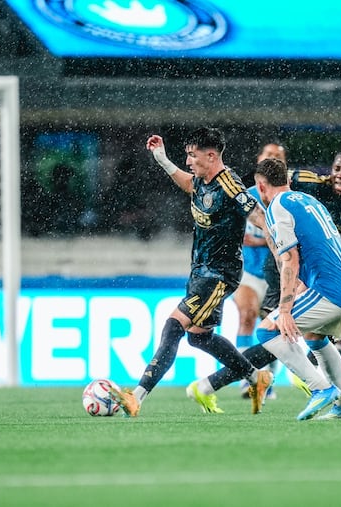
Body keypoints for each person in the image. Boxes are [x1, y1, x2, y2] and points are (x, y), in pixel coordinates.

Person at [108, 127, 273, 417]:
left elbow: (257, 216)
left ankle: (137, 396)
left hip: (220, 275)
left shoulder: (230, 184)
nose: (188, 162)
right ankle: (256, 377)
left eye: (192, 156)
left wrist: (285, 245)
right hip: (200, 270)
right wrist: (162, 159)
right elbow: (188, 184)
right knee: (200, 336)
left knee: (173, 326)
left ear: (211, 156)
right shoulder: (202, 179)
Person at [188, 157, 341, 420]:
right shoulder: (308, 200)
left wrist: (284, 309)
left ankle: (320, 388)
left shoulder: (277, 208)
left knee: (268, 331)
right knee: (315, 338)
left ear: (261, 186)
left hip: (334, 290)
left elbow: (290, 259)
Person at [234, 142, 287, 399]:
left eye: (278, 157)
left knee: (273, 327)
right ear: (259, 160)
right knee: (247, 315)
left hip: (279, 274)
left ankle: (268, 381)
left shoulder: (289, 198)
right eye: (269, 156)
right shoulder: (245, 195)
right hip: (250, 271)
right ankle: (247, 379)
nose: (273, 159)